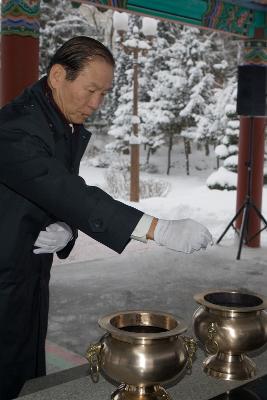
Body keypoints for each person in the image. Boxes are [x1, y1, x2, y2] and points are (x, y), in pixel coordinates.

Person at [0, 36, 212, 399]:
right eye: (91, 90)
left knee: (26, 374)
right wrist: (157, 229)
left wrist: (66, 228)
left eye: (104, 93)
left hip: (28, 275)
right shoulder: (16, 126)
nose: (96, 103)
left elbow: (58, 191)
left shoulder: (57, 121)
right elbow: (66, 191)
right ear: (57, 76)